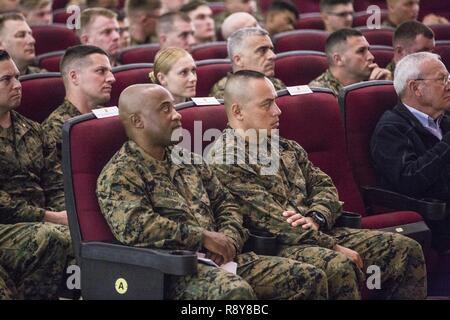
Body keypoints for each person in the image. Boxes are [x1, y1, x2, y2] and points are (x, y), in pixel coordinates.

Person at [206, 69, 427, 299]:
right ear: (238, 111)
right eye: (267, 104)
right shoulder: (226, 159)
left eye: (276, 103)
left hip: (318, 231)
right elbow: (274, 222)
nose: (277, 111)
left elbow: (325, 186)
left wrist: (316, 216)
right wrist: (334, 247)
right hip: (277, 246)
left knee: (405, 249)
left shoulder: (285, 146)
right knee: (339, 266)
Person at [96, 83, 330, 300]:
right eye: (165, 109)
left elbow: (226, 204)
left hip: (224, 258)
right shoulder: (120, 173)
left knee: (309, 277)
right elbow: (137, 227)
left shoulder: (188, 158)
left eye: (174, 108)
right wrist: (204, 238)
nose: (177, 115)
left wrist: (228, 240)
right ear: (138, 121)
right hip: (173, 272)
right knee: (234, 293)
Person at [0, 49, 72, 299]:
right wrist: (50, 217)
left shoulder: (34, 130)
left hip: (42, 221)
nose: (17, 85)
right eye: (6, 80)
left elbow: (56, 183)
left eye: (17, 78)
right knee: (51, 236)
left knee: (87, 235)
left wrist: (68, 215)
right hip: (6, 225)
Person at [371, 52, 450, 250]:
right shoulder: (391, 129)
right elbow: (409, 180)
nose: (449, 84)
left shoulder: (445, 121)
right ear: (416, 88)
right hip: (431, 217)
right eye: (442, 79)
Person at [42, 45, 115, 164]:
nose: (112, 78)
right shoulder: (57, 129)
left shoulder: (108, 117)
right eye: (101, 71)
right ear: (74, 77)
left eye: (110, 72)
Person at [309, 28, 391, 96]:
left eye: (368, 50)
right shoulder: (320, 94)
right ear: (338, 59)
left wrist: (387, 88)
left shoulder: (372, 82)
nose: (371, 57)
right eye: (361, 51)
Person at [210, 27, 285, 99]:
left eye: (271, 50)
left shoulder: (276, 83)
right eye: (262, 50)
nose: (273, 56)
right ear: (238, 60)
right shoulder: (226, 93)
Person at [383, 0, 449, 29]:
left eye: (417, 3)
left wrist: (444, 30)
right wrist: (424, 29)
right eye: (409, 4)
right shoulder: (380, 34)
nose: (416, 8)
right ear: (391, 7)